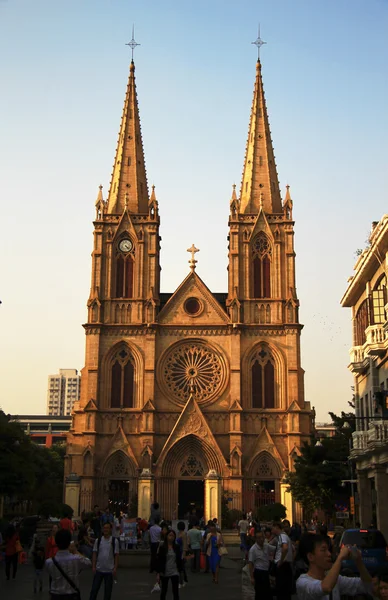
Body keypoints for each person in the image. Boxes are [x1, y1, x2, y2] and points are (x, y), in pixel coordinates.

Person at [296, 533, 372, 600]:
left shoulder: (336, 580)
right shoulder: (302, 582)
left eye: (328, 550)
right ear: (310, 557)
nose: (329, 554)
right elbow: (326, 587)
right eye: (323, 550)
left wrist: (358, 560)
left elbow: (366, 585)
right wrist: (340, 558)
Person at [46, 528, 91, 599]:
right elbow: (88, 563)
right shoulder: (76, 559)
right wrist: (75, 551)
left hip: (56, 595)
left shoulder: (49, 562)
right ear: (69, 542)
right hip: (72, 594)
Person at [89, 522, 119, 600]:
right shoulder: (98, 540)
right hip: (99, 569)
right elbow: (94, 553)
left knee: (107, 592)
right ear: (102, 529)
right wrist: (93, 566)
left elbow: (116, 555)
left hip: (109, 570)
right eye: (104, 528)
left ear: (110, 529)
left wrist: (115, 568)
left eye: (107, 528)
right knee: (94, 590)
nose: (106, 530)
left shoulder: (114, 541)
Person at [248, 529, 276, 600]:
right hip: (259, 572)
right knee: (259, 593)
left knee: (267, 592)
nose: (261, 539)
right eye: (259, 537)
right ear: (256, 539)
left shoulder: (266, 546)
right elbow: (250, 563)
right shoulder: (253, 549)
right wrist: (251, 577)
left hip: (266, 572)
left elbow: (275, 549)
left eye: (262, 537)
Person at [157, 529, 183, 600]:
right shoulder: (162, 547)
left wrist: (180, 570)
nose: (171, 537)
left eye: (173, 536)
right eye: (170, 535)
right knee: (164, 590)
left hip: (174, 571)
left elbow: (179, 559)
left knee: (175, 591)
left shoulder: (176, 547)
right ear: (166, 536)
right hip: (165, 571)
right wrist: (158, 573)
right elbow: (159, 560)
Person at [272, 521, 293, 600]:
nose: (272, 530)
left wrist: (281, 561)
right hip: (286, 565)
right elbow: (293, 549)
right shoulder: (284, 536)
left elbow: (285, 548)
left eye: (273, 528)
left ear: (277, 528)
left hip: (282, 566)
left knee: (281, 591)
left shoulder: (282, 536)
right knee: (285, 591)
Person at [176, 521, 188, 586]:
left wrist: (184, 553)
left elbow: (185, 545)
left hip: (182, 552)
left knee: (181, 568)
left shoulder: (183, 534)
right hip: (178, 551)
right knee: (181, 567)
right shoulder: (178, 533)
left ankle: (181, 581)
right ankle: (183, 580)